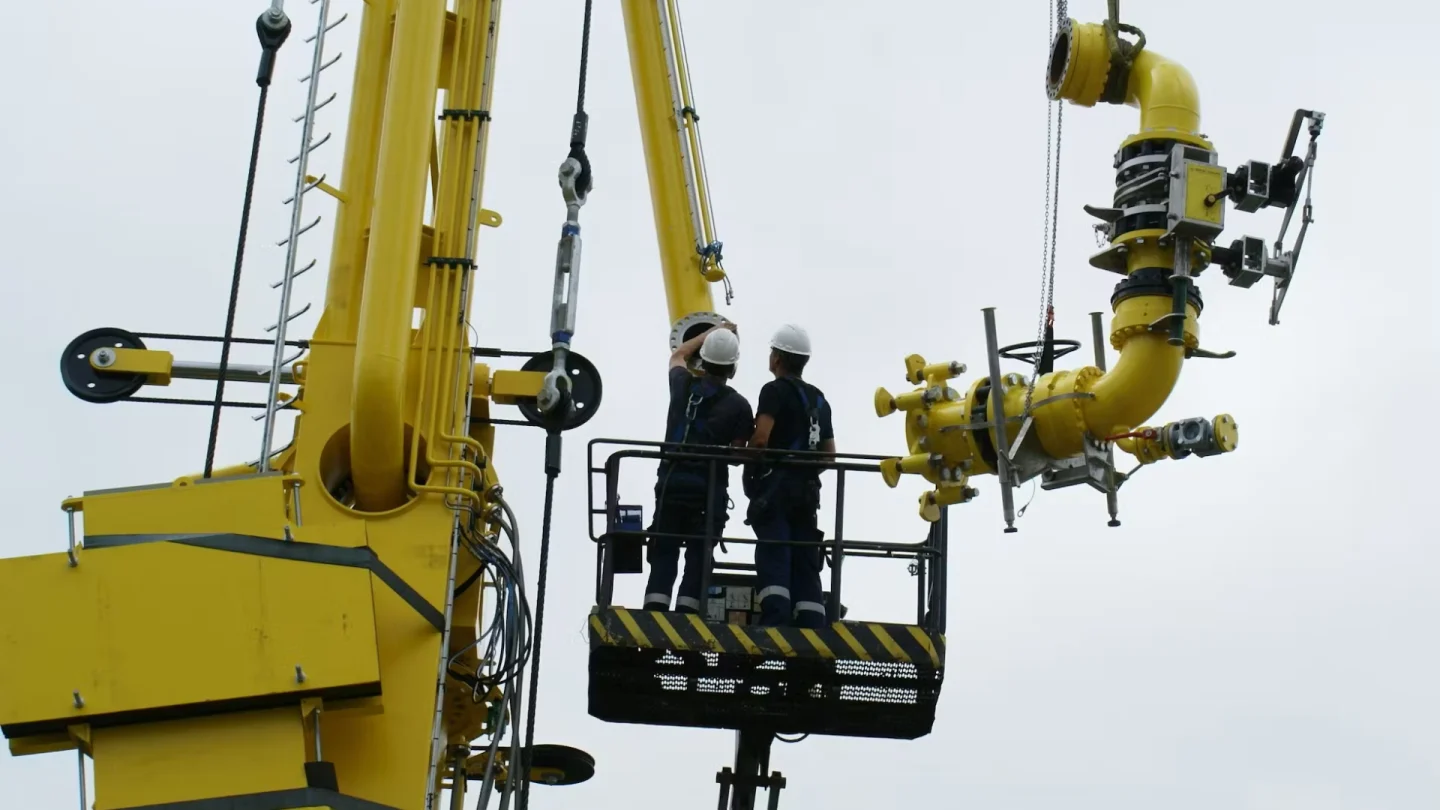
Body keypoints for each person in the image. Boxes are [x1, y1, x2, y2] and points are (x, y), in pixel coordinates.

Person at [643, 321, 754, 614]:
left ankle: (655, 608)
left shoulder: (682, 385)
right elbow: (738, 454)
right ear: (733, 369)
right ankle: (687, 613)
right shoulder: (740, 406)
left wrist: (712, 332)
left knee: (664, 548)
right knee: (699, 552)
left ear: (703, 360)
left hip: (671, 484)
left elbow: (677, 356)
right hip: (708, 491)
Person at [744, 323, 835, 629]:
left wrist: (739, 458)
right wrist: (805, 468)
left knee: (776, 551)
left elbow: (760, 440)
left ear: (778, 358)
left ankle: (776, 621)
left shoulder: (773, 391)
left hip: (776, 491)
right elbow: (830, 455)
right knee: (804, 555)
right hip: (808, 493)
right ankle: (811, 622)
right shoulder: (819, 400)